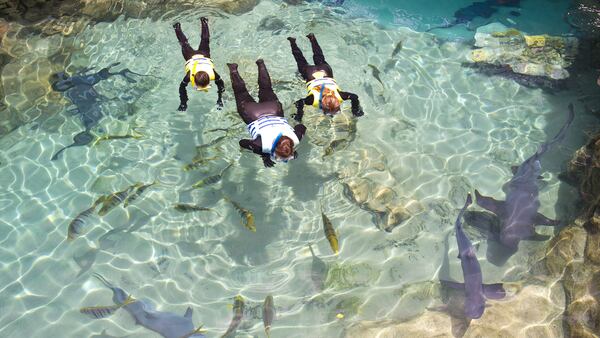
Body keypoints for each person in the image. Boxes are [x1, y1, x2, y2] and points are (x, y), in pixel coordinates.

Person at [227, 59, 307, 167]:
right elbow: (242, 142)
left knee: (266, 88)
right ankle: (233, 69)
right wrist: (263, 154)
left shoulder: (296, 138)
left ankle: (261, 64)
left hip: (274, 109)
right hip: (253, 115)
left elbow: (301, 126)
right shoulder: (261, 146)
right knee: (241, 92)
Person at [287, 33, 364, 122]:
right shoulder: (313, 99)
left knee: (318, 55)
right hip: (310, 73)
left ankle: (311, 38)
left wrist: (299, 114)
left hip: (325, 70)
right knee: (300, 59)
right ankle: (293, 41)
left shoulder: (340, 95)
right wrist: (355, 110)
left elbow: (354, 96)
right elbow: (299, 103)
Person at [173, 17, 225, 111]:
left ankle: (204, 21)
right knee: (184, 44)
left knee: (205, 40)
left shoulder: (209, 73)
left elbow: (182, 88)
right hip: (190, 57)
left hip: (204, 55)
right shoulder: (190, 75)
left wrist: (183, 102)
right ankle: (177, 27)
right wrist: (220, 98)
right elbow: (220, 84)